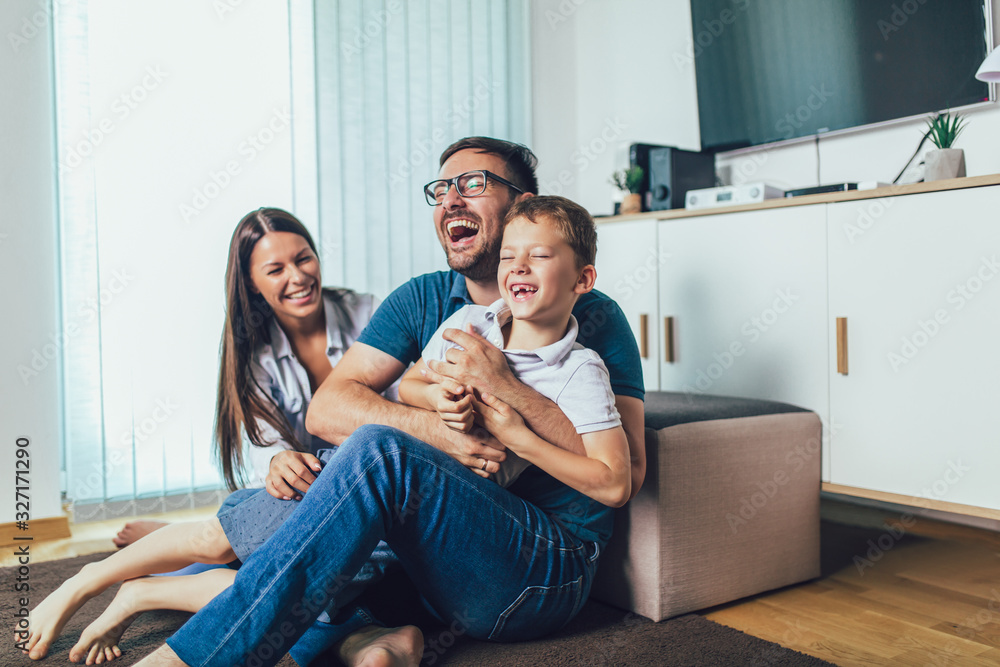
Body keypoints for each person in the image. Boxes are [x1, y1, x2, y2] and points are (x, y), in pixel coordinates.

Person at [134, 137, 646, 667]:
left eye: (473, 184)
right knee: (322, 509)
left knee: (375, 458)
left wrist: (507, 399)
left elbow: (624, 473)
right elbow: (345, 405)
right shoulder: (465, 317)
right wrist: (442, 421)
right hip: (448, 564)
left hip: (541, 567)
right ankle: (353, 630)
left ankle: (195, 644)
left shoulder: (591, 326)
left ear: (522, 206)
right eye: (441, 189)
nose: (451, 199)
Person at [20, 208, 398, 664]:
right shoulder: (253, 350)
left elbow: (404, 414)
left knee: (299, 577)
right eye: (275, 269)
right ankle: (90, 578)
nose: (297, 277)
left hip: (365, 487)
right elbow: (266, 448)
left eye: (304, 259)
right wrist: (279, 461)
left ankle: (150, 579)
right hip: (298, 495)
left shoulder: (370, 313)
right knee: (268, 557)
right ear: (251, 284)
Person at [398, 195, 628, 494]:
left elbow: (616, 485)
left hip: (467, 498)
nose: (518, 266)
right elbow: (408, 386)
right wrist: (434, 397)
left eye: (540, 255)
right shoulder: (468, 323)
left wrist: (520, 438)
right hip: (413, 478)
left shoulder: (581, 371)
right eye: (507, 257)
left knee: (376, 449)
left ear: (582, 279)